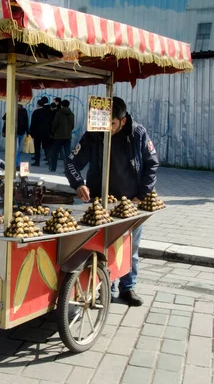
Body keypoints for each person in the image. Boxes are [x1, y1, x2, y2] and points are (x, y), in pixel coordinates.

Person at [65, 97, 159, 307]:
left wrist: (142, 196)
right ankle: (106, 286)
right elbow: (72, 162)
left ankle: (128, 287)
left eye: (113, 124)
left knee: (130, 246)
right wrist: (78, 183)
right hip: (99, 203)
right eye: (104, 122)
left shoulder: (138, 134)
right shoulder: (94, 134)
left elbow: (152, 164)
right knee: (102, 247)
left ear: (123, 121)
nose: (107, 128)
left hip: (130, 202)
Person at [49, 99, 74, 172]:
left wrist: (52, 132)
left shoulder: (58, 113)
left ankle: (53, 168)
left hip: (58, 136)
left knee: (55, 153)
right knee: (67, 154)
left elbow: (54, 124)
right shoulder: (71, 114)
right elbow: (72, 125)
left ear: (62, 105)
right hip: (68, 136)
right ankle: (67, 169)